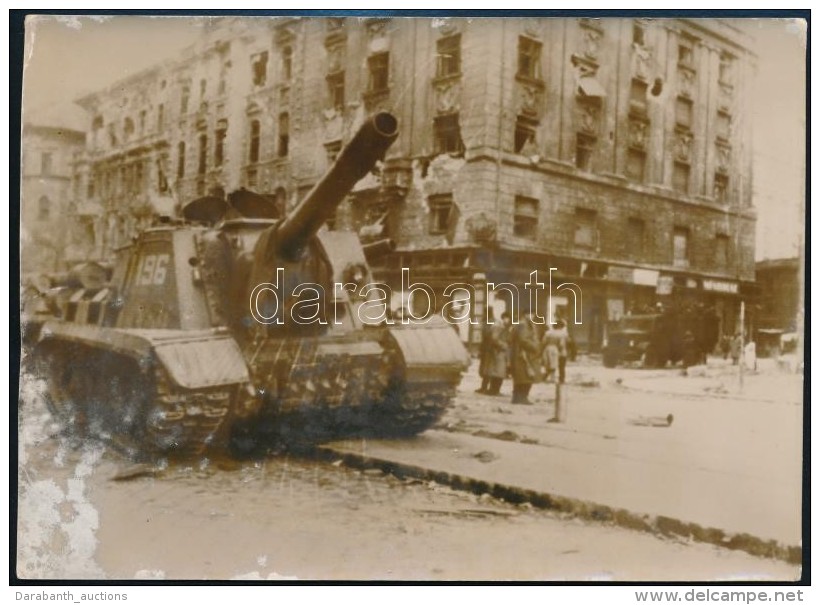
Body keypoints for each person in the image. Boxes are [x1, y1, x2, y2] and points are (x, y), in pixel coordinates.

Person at [477, 312, 511, 395]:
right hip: (498, 352)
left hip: (498, 352)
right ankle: (494, 390)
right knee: (498, 372)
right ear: (504, 318)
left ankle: (494, 390)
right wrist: (503, 345)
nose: (508, 320)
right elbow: (494, 338)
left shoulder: (501, 326)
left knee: (498, 372)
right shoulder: (498, 326)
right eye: (507, 318)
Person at [510, 312, 542, 404]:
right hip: (524, 355)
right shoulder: (523, 324)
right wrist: (535, 347)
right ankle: (522, 397)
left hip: (521, 354)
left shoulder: (522, 323)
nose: (532, 316)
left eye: (533, 315)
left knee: (520, 378)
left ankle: (517, 398)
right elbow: (523, 340)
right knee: (526, 377)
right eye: (531, 314)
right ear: (526, 315)